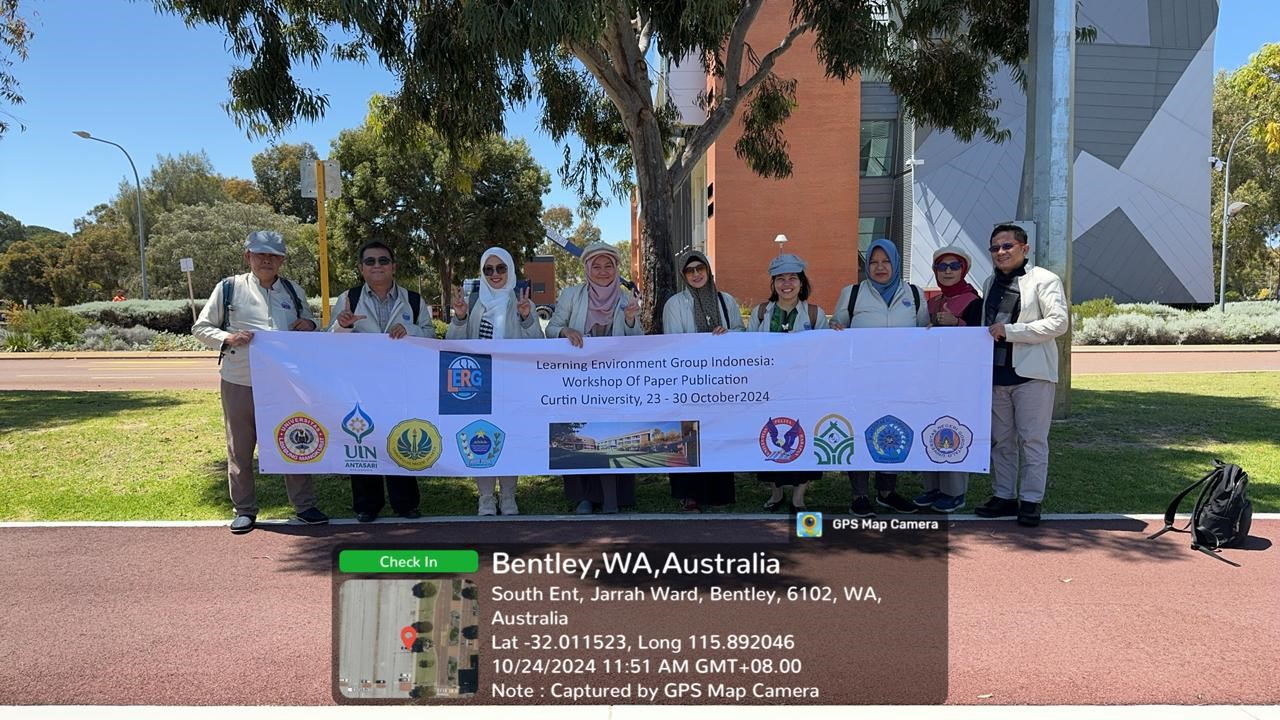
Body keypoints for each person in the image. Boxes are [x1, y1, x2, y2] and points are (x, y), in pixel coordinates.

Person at [192, 230, 327, 534]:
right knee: (240, 446)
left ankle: (304, 506)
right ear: (247, 256)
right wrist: (228, 337)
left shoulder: (293, 291)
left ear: (282, 260)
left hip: (285, 382)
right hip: (240, 379)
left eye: (273, 255)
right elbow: (201, 328)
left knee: (294, 437)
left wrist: (311, 323)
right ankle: (244, 509)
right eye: (260, 254)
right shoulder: (229, 288)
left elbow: (309, 324)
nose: (267, 259)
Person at [330, 240, 435, 522]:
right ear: (361, 268)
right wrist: (343, 324)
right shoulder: (348, 298)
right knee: (363, 440)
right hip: (360, 385)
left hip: (402, 384)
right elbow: (330, 342)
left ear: (394, 266)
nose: (377, 266)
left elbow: (431, 336)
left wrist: (410, 329)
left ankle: (406, 503)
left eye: (383, 261)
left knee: (402, 437)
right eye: (370, 261)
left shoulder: (413, 300)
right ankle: (367, 505)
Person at [974, 223, 1069, 527]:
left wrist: (1011, 332)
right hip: (996, 376)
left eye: (1007, 246)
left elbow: (1058, 323)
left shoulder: (1045, 280)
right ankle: (1003, 495)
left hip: (1032, 376)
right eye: (995, 247)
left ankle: (1030, 500)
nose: (1000, 252)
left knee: (1032, 441)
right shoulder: (989, 283)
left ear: (1024, 249)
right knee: (1001, 441)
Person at [832, 238, 928, 518]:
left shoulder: (915, 294)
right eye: (873, 262)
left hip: (902, 382)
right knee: (860, 431)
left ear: (896, 262)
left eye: (885, 261)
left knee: (894, 431)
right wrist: (835, 328)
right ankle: (859, 495)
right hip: (860, 382)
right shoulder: (851, 294)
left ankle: (887, 492)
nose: (880, 267)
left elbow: (925, 334)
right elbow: (836, 331)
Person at [546, 241, 642, 514]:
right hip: (577, 382)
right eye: (596, 266)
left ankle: (613, 499)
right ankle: (583, 498)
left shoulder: (626, 299)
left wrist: (632, 320)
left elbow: (639, 343)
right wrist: (565, 331)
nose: (602, 271)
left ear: (616, 268)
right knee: (580, 436)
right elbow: (550, 329)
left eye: (608, 265)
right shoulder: (572, 295)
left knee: (611, 434)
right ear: (587, 268)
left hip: (615, 383)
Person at [447, 246, 544, 516]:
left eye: (500, 268)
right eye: (488, 269)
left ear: (510, 270)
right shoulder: (474, 305)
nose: (495, 274)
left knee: (509, 437)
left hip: (513, 384)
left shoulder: (523, 302)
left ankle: (510, 495)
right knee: (481, 436)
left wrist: (526, 318)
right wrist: (460, 317)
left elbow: (538, 346)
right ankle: (486, 497)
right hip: (479, 384)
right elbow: (454, 345)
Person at [661, 250, 744, 511]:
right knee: (688, 437)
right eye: (690, 270)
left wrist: (727, 334)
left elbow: (742, 333)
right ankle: (690, 494)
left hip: (722, 381)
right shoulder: (675, 304)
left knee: (717, 434)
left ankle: (718, 493)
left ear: (708, 270)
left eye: (700, 269)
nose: (696, 274)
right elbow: (674, 342)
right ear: (683, 275)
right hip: (688, 382)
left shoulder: (725, 300)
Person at [747, 253, 828, 512]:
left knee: (802, 437)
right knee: (769, 436)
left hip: (804, 389)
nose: (787, 284)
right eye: (780, 278)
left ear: (801, 282)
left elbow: (826, 353)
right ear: (773, 283)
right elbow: (747, 349)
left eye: (792, 278)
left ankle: (799, 496)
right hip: (769, 389)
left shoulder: (816, 314)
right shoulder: (760, 313)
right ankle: (776, 492)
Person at [913, 244, 983, 513]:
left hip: (959, 381)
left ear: (963, 270)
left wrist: (957, 325)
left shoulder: (974, 302)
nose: (948, 271)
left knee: (953, 430)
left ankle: (954, 492)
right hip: (929, 379)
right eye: (942, 267)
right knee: (928, 428)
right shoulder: (931, 303)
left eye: (954, 266)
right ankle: (931, 488)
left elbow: (981, 337)